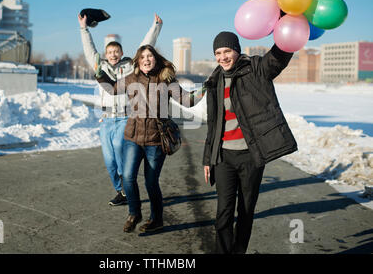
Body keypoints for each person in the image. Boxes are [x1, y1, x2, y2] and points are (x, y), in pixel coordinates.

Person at [202, 31, 298, 254]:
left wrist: (288, 23)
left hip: (250, 156)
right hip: (224, 157)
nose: (223, 57)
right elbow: (213, 124)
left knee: (246, 211)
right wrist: (208, 158)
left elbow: (278, 57)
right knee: (223, 214)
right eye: (218, 53)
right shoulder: (214, 80)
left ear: (237, 50)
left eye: (227, 51)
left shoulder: (255, 68)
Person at [96, 45, 205, 233]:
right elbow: (113, 90)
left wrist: (204, 88)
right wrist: (100, 74)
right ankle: (134, 213)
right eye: (143, 57)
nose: (146, 59)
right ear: (138, 61)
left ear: (155, 59)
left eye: (150, 56)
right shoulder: (131, 79)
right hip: (133, 137)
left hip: (156, 139)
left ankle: (157, 218)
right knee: (128, 177)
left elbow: (188, 100)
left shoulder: (165, 80)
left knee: (151, 182)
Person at [78, 13, 163, 206]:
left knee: (118, 150)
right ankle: (121, 191)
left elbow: (144, 47)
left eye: (117, 51)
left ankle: (127, 187)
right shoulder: (100, 65)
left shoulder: (129, 67)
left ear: (122, 52)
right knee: (109, 161)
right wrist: (84, 28)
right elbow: (88, 48)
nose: (113, 54)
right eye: (110, 52)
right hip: (106, 119)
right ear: (106, 54)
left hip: (124, 117)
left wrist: (155, 27)